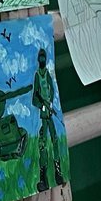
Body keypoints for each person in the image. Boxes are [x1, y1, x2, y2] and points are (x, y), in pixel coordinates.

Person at [31, 47, 65, 191]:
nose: (42, 60)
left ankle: (58, 173)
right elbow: (35, 98)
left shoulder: (48, 75)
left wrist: (49, 104)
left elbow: (51, 90)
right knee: (43, 144)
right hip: (43, 115)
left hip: (50, 113)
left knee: (55, 140)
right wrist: (43, 105)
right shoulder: (37, 76)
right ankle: (43, 177)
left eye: (43, 58)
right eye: (41, 58)